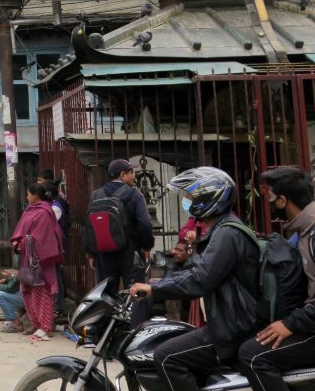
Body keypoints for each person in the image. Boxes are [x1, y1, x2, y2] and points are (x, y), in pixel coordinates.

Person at [129, 166, 260, 391]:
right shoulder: (219, 229)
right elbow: (199, 271)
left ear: (209, 198)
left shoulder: (227, 233)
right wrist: (159, 283)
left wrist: (156, 290)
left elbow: (200, 279)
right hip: (229, 321)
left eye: (191, 196)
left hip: (233, 328)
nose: (187, 201)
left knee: (166, 356)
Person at [238, 166, 315, 391]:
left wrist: (291, 323)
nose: (269, 205)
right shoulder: (302, 231)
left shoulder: (312, 234)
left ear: (283, 200)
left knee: (252, 355)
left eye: (271, 198)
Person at [88, 158, 154, 326]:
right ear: (123, 175)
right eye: (131, 173)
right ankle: (135, 330)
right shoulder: (134, 194)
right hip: (130, 251)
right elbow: (145, 224)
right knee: (137, 291)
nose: (134, 177)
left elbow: (89, 225)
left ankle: (106, 332)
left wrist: (91, 252)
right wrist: (146, 246)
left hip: (104, 252)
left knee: (106, 293)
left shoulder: (97, 194)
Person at [11, 182, 65, 339]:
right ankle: (35, 323)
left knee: (43, 293)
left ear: (35, 195)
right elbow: (20, 231)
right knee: (28, 292)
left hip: (42, 261)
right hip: (26, 260)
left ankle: (46, 326)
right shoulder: (29, 210)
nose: (27, 197)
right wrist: (17, 244)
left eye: (28, 194)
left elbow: (41, 237)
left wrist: (23, 243)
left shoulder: (44, 212)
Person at [0, 267, 25, 333]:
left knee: (1, 295)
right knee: (3, 295)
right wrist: (7, 279)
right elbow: (15, 282)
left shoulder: (28, 264)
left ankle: (14, 322)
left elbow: (10, 287)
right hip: (23, 294)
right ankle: (14, 319)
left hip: (28, 298)